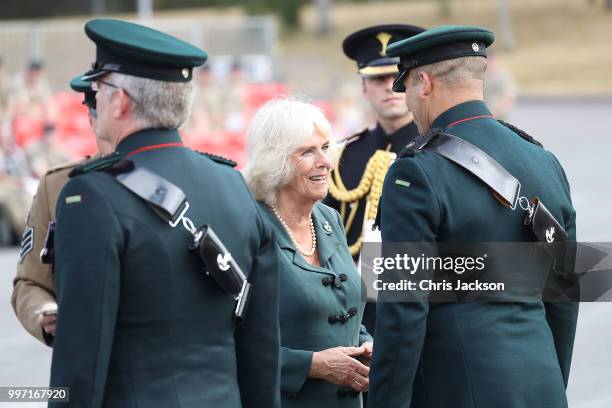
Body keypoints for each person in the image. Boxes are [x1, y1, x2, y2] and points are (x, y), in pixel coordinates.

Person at [49, 19, 280, 408]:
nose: (94, 97)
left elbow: (79, 362)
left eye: (98, 87)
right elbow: (262, 347)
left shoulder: (92, 194)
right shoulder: (233, 185)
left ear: (120, 100)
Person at [368, 25, 578, 407]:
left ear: (424, 84)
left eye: (408, 89)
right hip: (542, 384)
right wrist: (549, 376)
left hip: (459, 390)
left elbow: (404, 312)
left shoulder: (417, 173)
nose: (410, 105)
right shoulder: (545, 162)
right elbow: (564, 290)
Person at [244, 98, 372, 407]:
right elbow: (233, 342)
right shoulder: (249, 226)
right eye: (308, 152)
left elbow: (345, 310)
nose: (326, 162)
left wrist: (365, 344)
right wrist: (312, 365)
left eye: (325, 148)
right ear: (275, 161)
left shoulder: (329, 219)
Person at [11, 74, 100, 346]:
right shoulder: (59, 185)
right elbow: (30, 283)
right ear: (92, 117)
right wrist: (44, 312)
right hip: (84, 366)